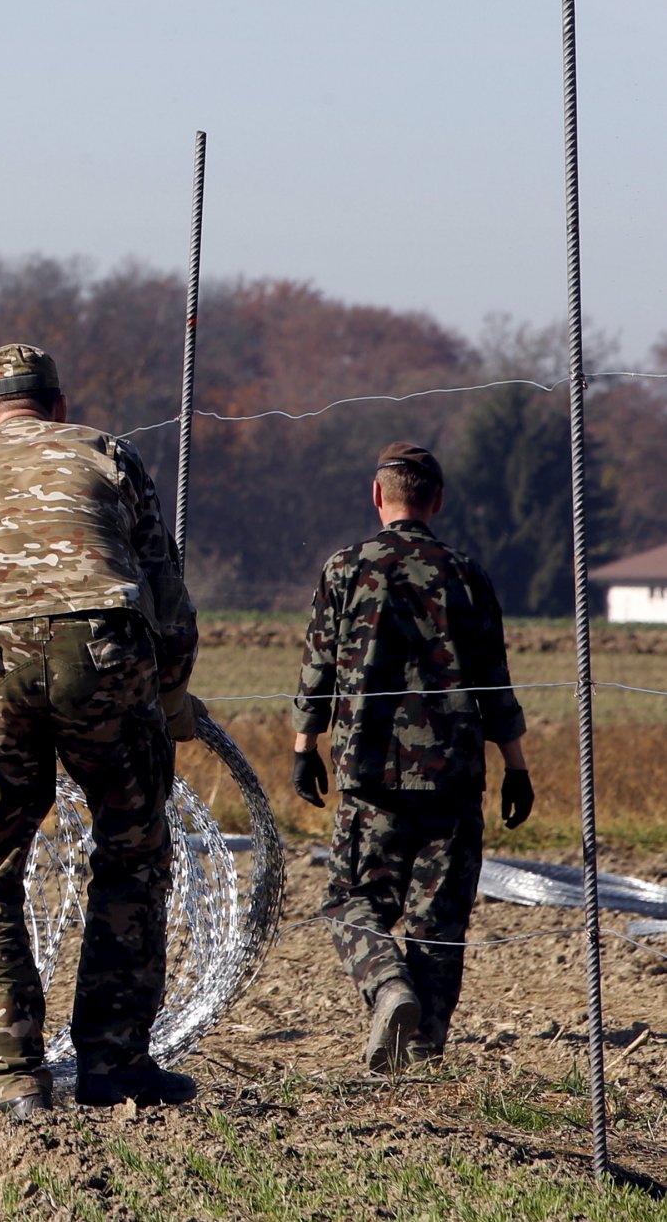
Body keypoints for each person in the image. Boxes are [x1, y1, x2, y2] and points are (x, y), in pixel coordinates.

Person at [0, 344, 199, 1120]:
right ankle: (115, 1062)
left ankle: (10, 1080)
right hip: (107, 649)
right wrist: (172, 695)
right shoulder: (108, 454)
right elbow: (168, 600)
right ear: (59, 406)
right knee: (132, 851)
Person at [293, 442, 532, 1073]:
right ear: (437, 501)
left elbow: (317, 667)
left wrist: (303, 746)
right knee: (438, 918)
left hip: (368, 771)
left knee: (352, 898)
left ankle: (387, 985)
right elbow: (494, 680)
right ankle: (423, 1055)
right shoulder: (466, 573)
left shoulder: (345, 567)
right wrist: (517, 765)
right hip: (454, 772)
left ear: (378, 495)